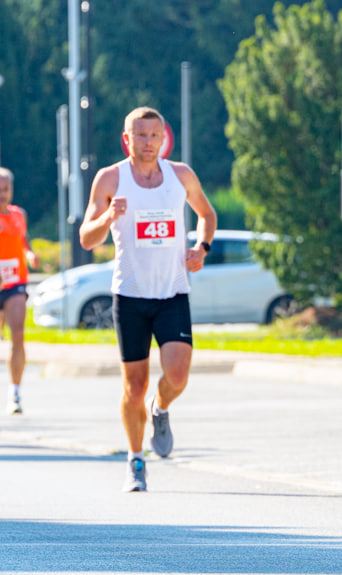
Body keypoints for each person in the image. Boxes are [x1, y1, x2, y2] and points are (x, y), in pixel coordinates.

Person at [79, 107, 217, 492]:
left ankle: (162, 409)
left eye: (154, 135)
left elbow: (207, 214)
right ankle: (135, 460)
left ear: (163, 138)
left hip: (173, 292)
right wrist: (108, 218)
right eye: (139, 135)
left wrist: (200, 248)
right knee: (133, 387)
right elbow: (86, 239)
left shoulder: (180, 175)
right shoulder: (110, 178)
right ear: (127, 139)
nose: (147, 142)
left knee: (177, 375)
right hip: (130, 295)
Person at [0, 167, 40, 415]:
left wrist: (30, 254)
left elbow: (23, 242)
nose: (2, 194)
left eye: (5, 189)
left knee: (18, 335)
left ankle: (15, 390)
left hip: (15, 283)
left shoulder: (19, 214)